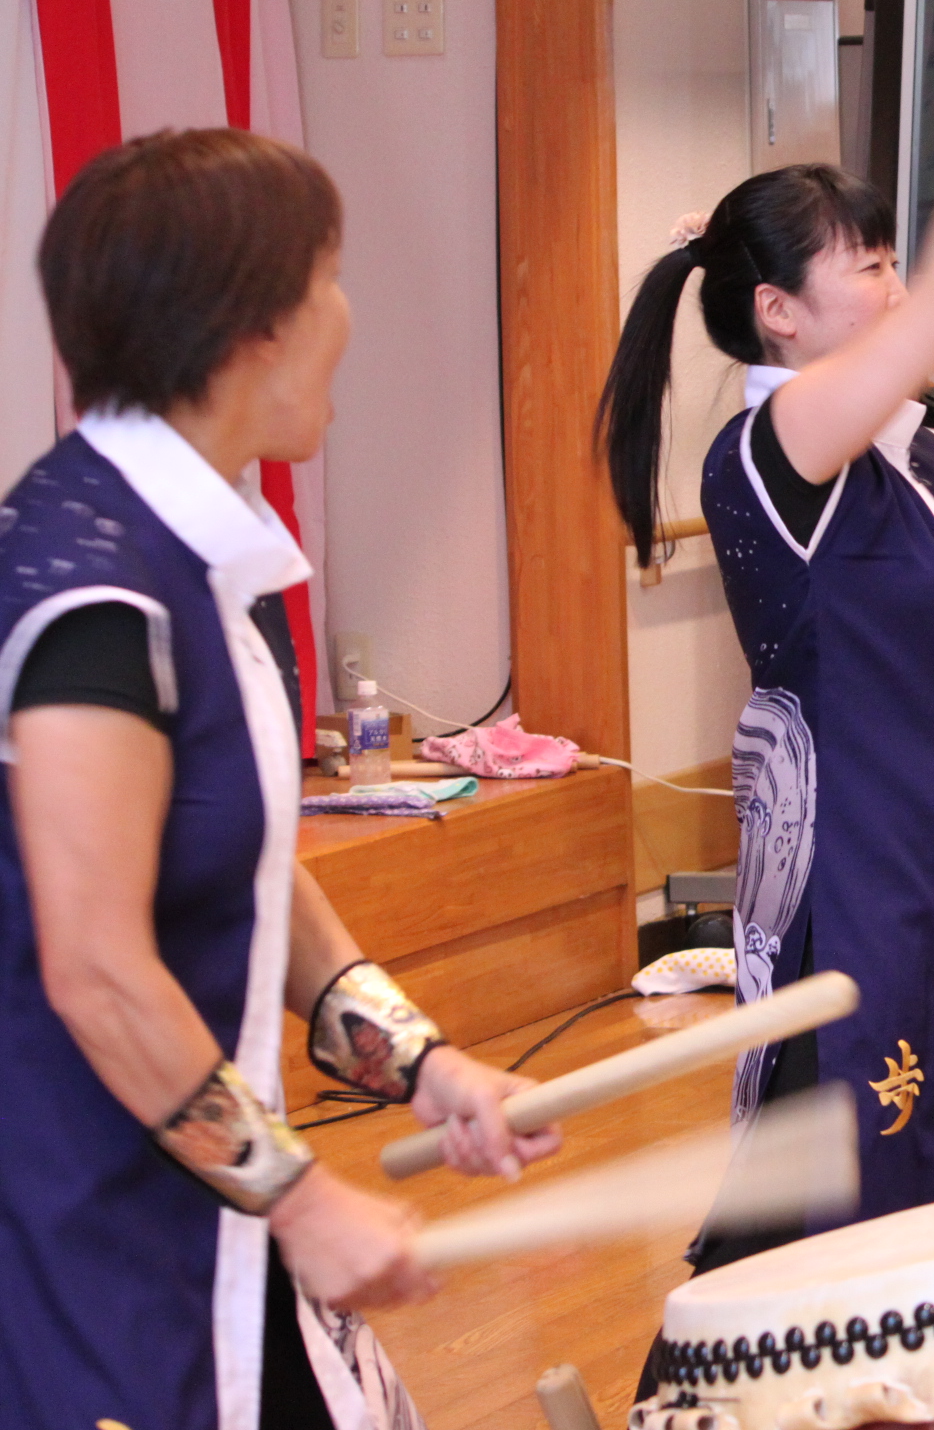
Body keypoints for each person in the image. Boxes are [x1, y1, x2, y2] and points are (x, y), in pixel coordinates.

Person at [0, 128, 558, 1430]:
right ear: (249, 330)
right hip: (88, 1225)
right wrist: (301, 1200)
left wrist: (424, 1063)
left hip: (208, 1192)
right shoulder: (94, 595)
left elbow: (245, 865)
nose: (345, 318)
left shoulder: (210, 549)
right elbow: (92, 965)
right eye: (329, 280)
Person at [596, 0, 934, 1268]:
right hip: (854, 878)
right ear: (778, 312)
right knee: (843, 1222)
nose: (896, 282)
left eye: (890, 257)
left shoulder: (918, 452)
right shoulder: (773, 448)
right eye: (864, 264)